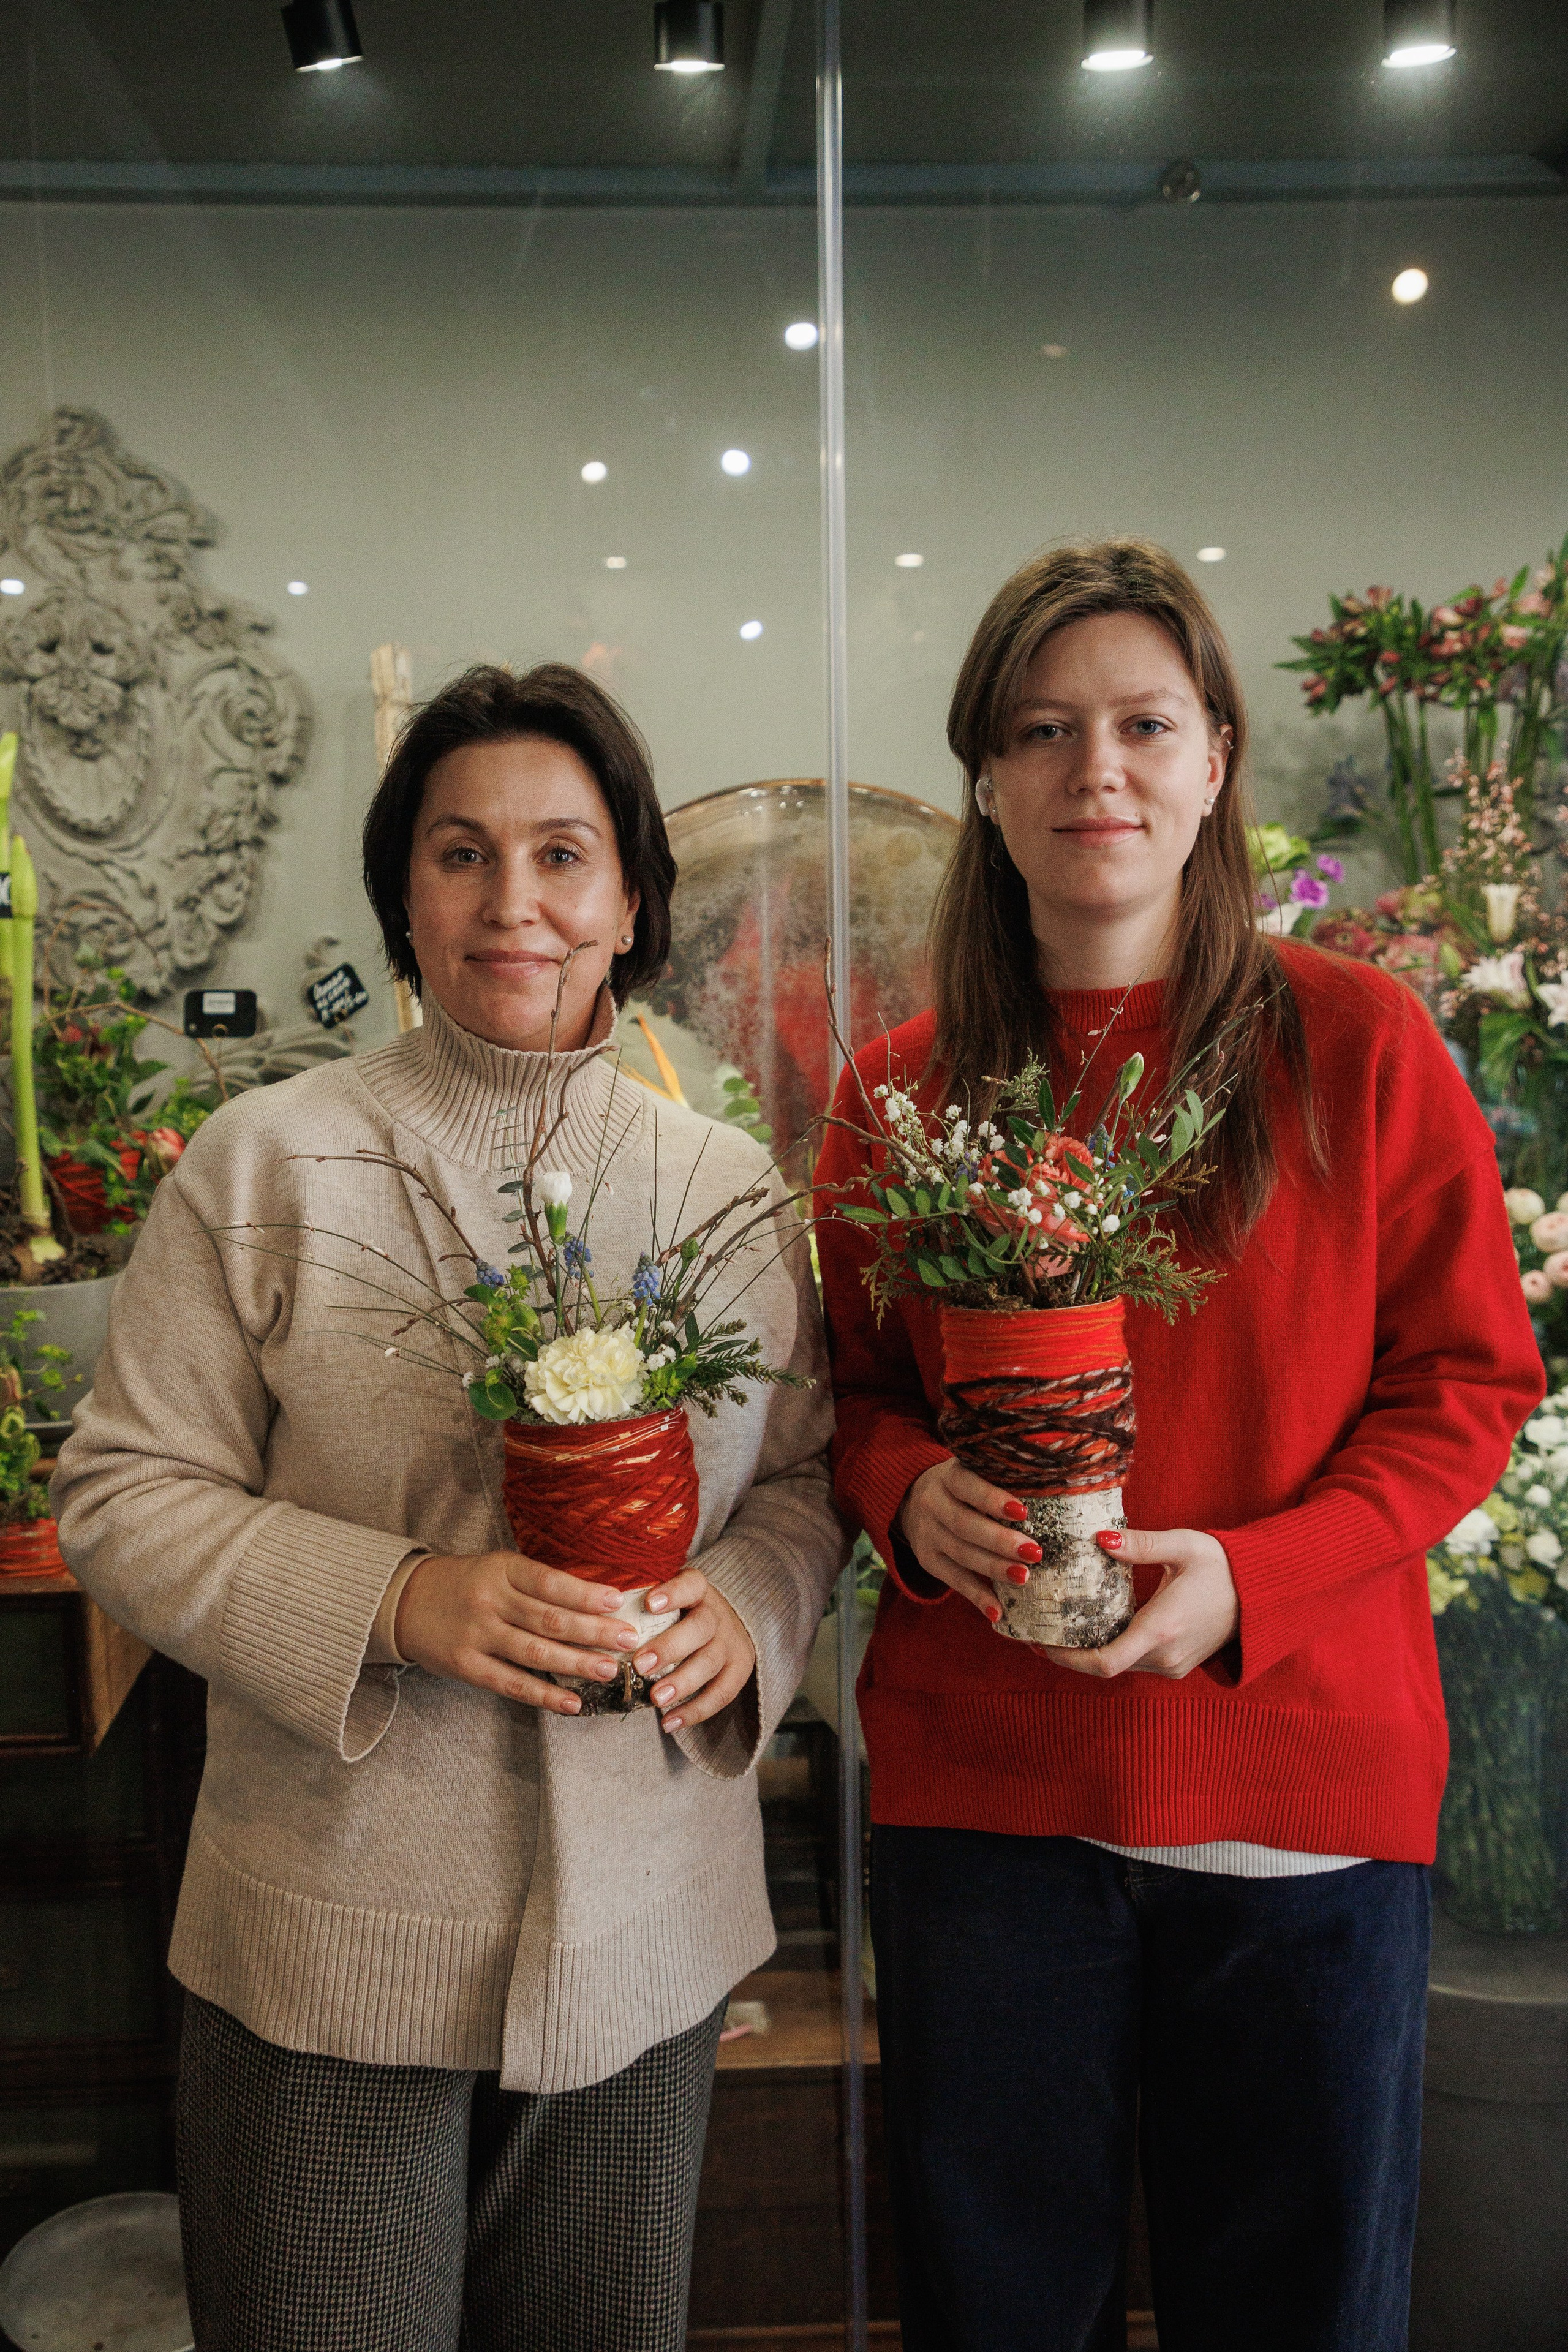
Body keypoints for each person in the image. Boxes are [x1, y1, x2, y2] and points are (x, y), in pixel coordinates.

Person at [53, 662, 843, 2352]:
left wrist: (746, 1609)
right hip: (327, 1947)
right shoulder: (263, 1164)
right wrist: (400, 1600)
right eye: (461, 852)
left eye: (564, 855)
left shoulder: (725, 1185)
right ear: (402, 892)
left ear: (632, 895)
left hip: (647, 1941)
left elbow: (799, 1483)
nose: (515, 903)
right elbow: (122, 1496)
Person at [813, 541, 1544, 2352]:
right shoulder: (894, 1089)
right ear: (986, 777)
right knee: (997, 2313)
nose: (1097, 774)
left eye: (1144, 724)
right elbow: (846, 1391)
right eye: (1045, 732)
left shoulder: (1358, 1044)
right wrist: (911, 1494)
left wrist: (1257, 1577)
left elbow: (1468, 1383)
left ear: (1218, 756)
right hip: (991, 1800)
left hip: (1297, 1795)